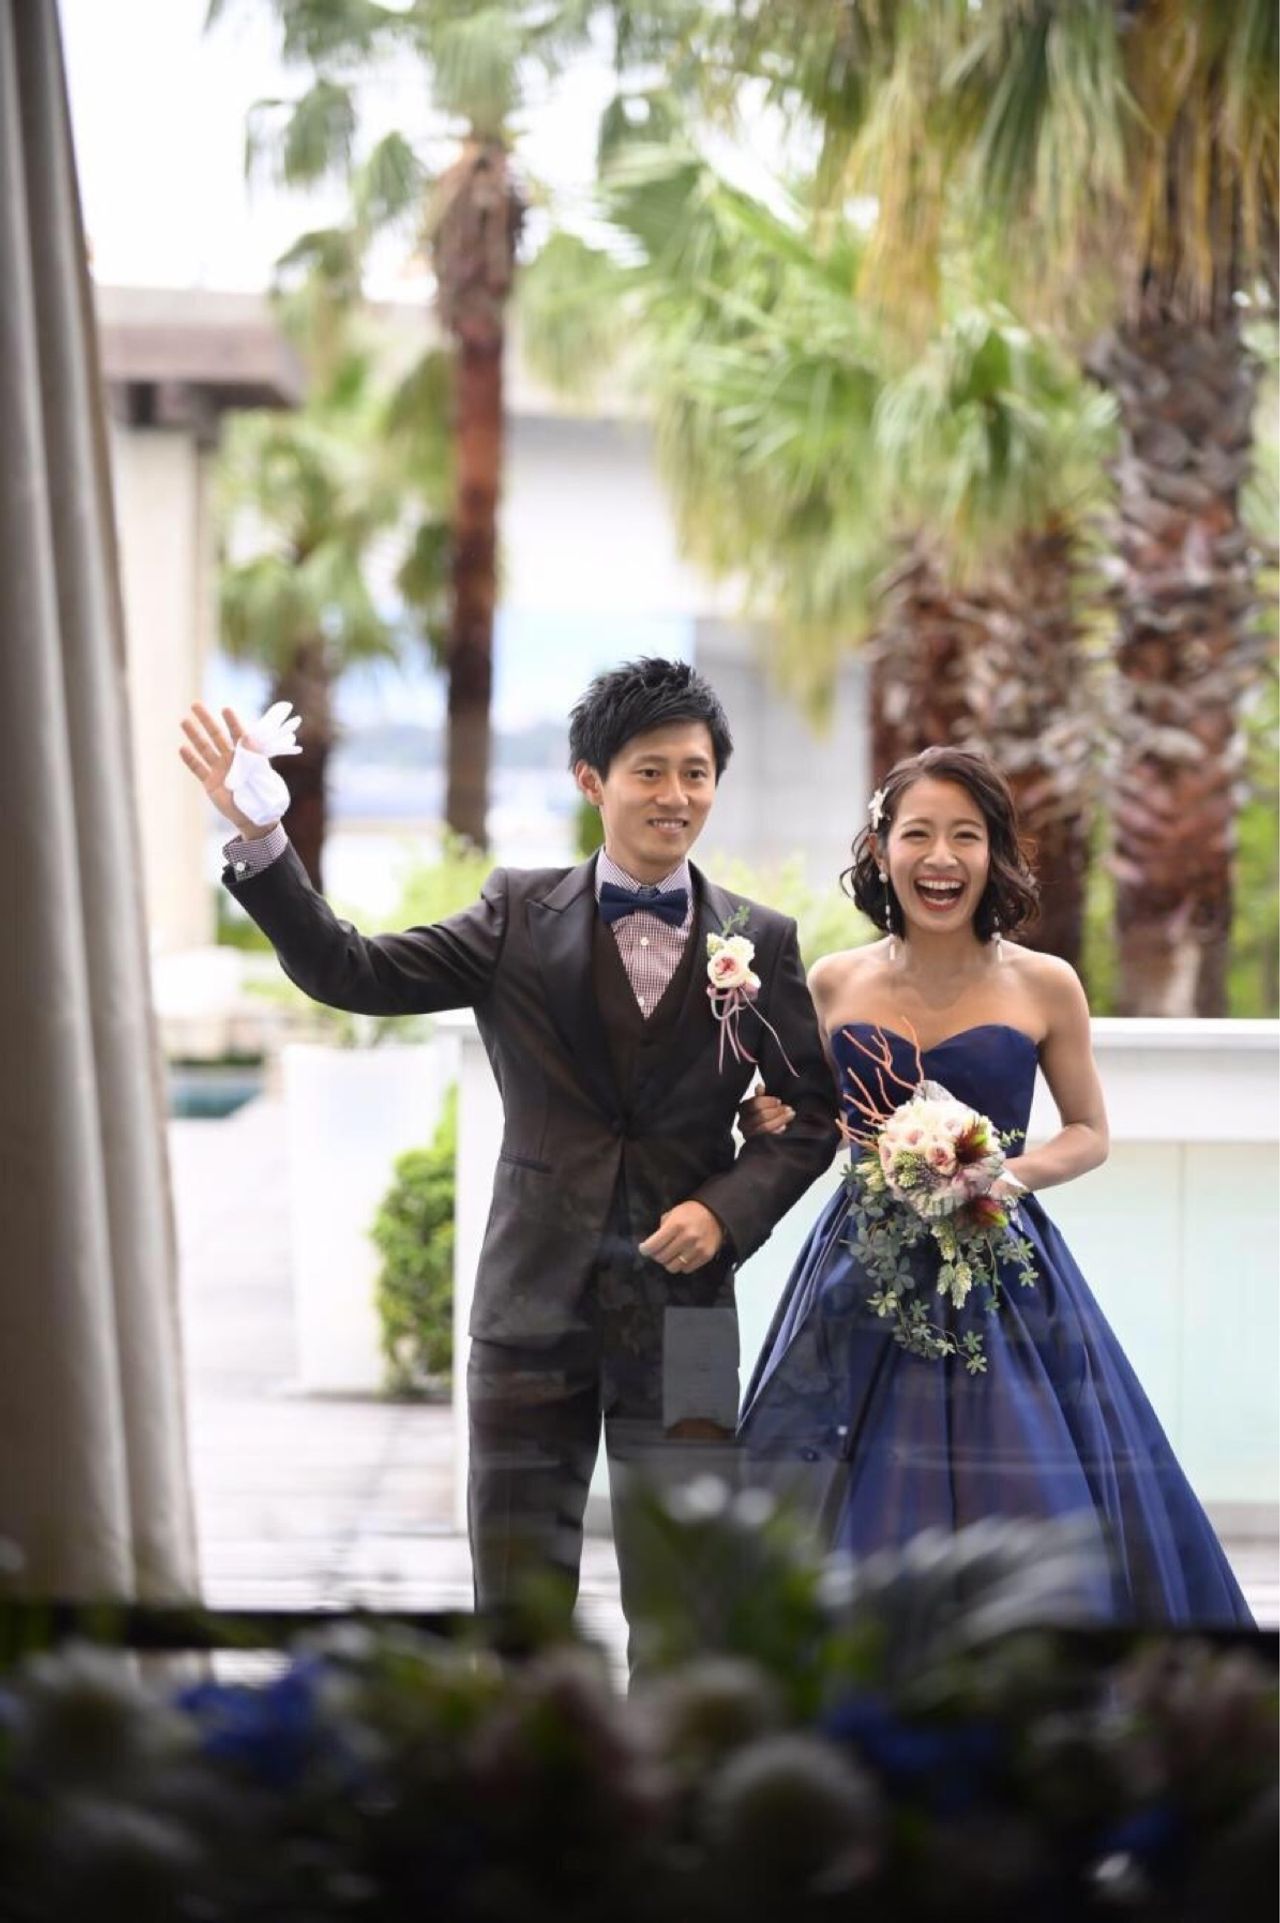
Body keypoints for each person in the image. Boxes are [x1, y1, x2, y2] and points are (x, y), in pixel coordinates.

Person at [178, 659, 838, 1659]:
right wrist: (264, 840)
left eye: (695, 773)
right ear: (590, 780)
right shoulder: (515, 915)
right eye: (649, 771)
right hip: (530, 1305)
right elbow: (351, 971)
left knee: (691, 1603)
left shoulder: (760, 939)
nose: (675, 795)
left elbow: (812, 1114)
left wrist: (726, 1208)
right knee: (518, 1614)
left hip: (692, 1314)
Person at [737, 746, 1252, 1626]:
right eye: (918, 834)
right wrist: (765, 1117)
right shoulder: (832, 980)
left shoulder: (1046, 983)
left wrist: (1002, 1176)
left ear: (994, 852)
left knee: (1030, 1479)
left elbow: (1089, 1131)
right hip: (857, 1266)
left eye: (965, 836)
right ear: (880, 849)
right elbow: (813, 1120)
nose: (940, 857)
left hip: (1000, 1261)